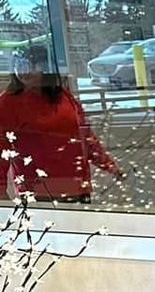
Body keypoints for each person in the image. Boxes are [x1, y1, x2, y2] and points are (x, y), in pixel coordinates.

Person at [0, 45, 122, 203]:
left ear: (47, 68)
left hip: (77, 188)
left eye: (33, 65)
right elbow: (1, 149)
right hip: (39, 192)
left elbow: (84, 136)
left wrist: (109, 166)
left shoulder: (63, 97)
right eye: (19, 65)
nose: (25, 70)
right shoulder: (8, 103)